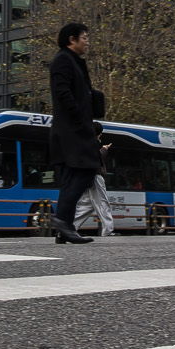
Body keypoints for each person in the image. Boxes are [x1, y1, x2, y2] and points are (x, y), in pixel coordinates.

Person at [48, 22, 106, 245]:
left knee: (72, 177)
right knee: (86, 171)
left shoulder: (73, 61)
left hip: (74, 129)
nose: (87, 42)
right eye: (84, 38)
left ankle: (65, 229)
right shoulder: (63, 60)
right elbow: (62, 93)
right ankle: (62, 222)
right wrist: (80, 119)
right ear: (71, 39)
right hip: (72, 130)